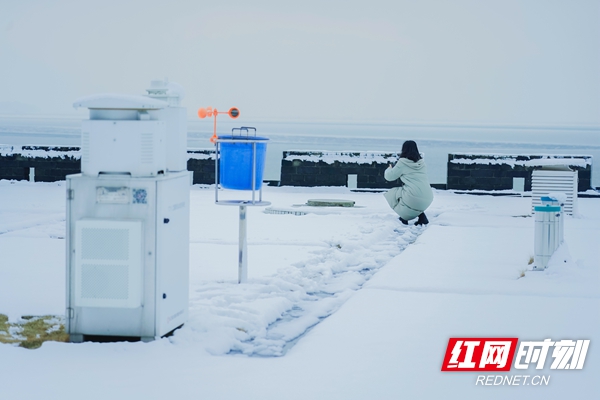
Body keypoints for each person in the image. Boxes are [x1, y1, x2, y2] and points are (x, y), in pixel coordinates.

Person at [383, 140, 433, 226]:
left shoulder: (402, 162)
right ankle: (421, 217)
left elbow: (389, 177)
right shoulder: (422, 163)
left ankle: (404, 217)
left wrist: (389, 169)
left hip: (414, 196)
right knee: (411, 196)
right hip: (428, 197)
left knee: (393, 194)